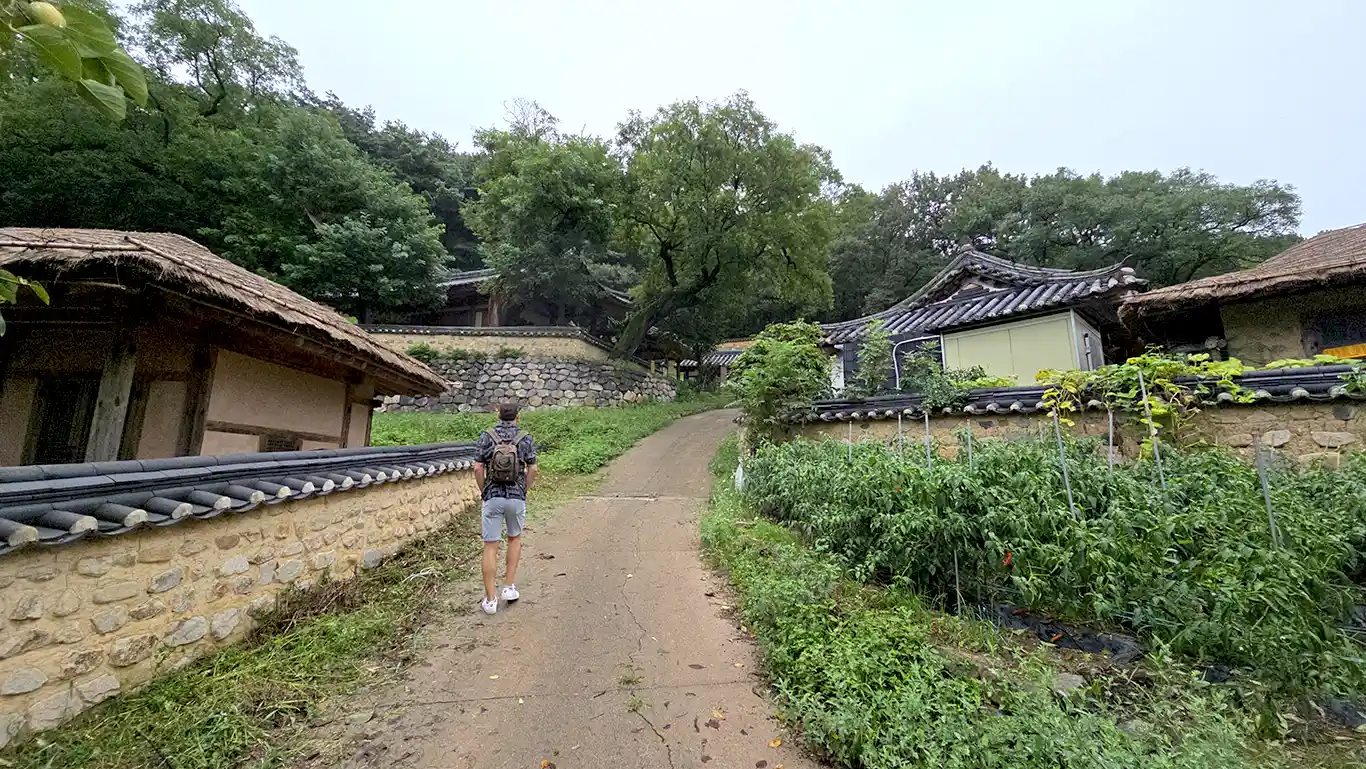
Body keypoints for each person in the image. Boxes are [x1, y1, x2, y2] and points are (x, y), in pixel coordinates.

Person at [473, 402, 537, 615]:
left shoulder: (487, 436)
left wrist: (484, 491)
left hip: (492, 497)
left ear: (498, 414)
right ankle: (508, 587)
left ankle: (490, 600)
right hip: (516, 497)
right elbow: (533, 469)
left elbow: (478, 467)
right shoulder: (525, 438)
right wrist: (523, 490)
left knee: (490, 546)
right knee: (514, 539)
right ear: (518, 416)